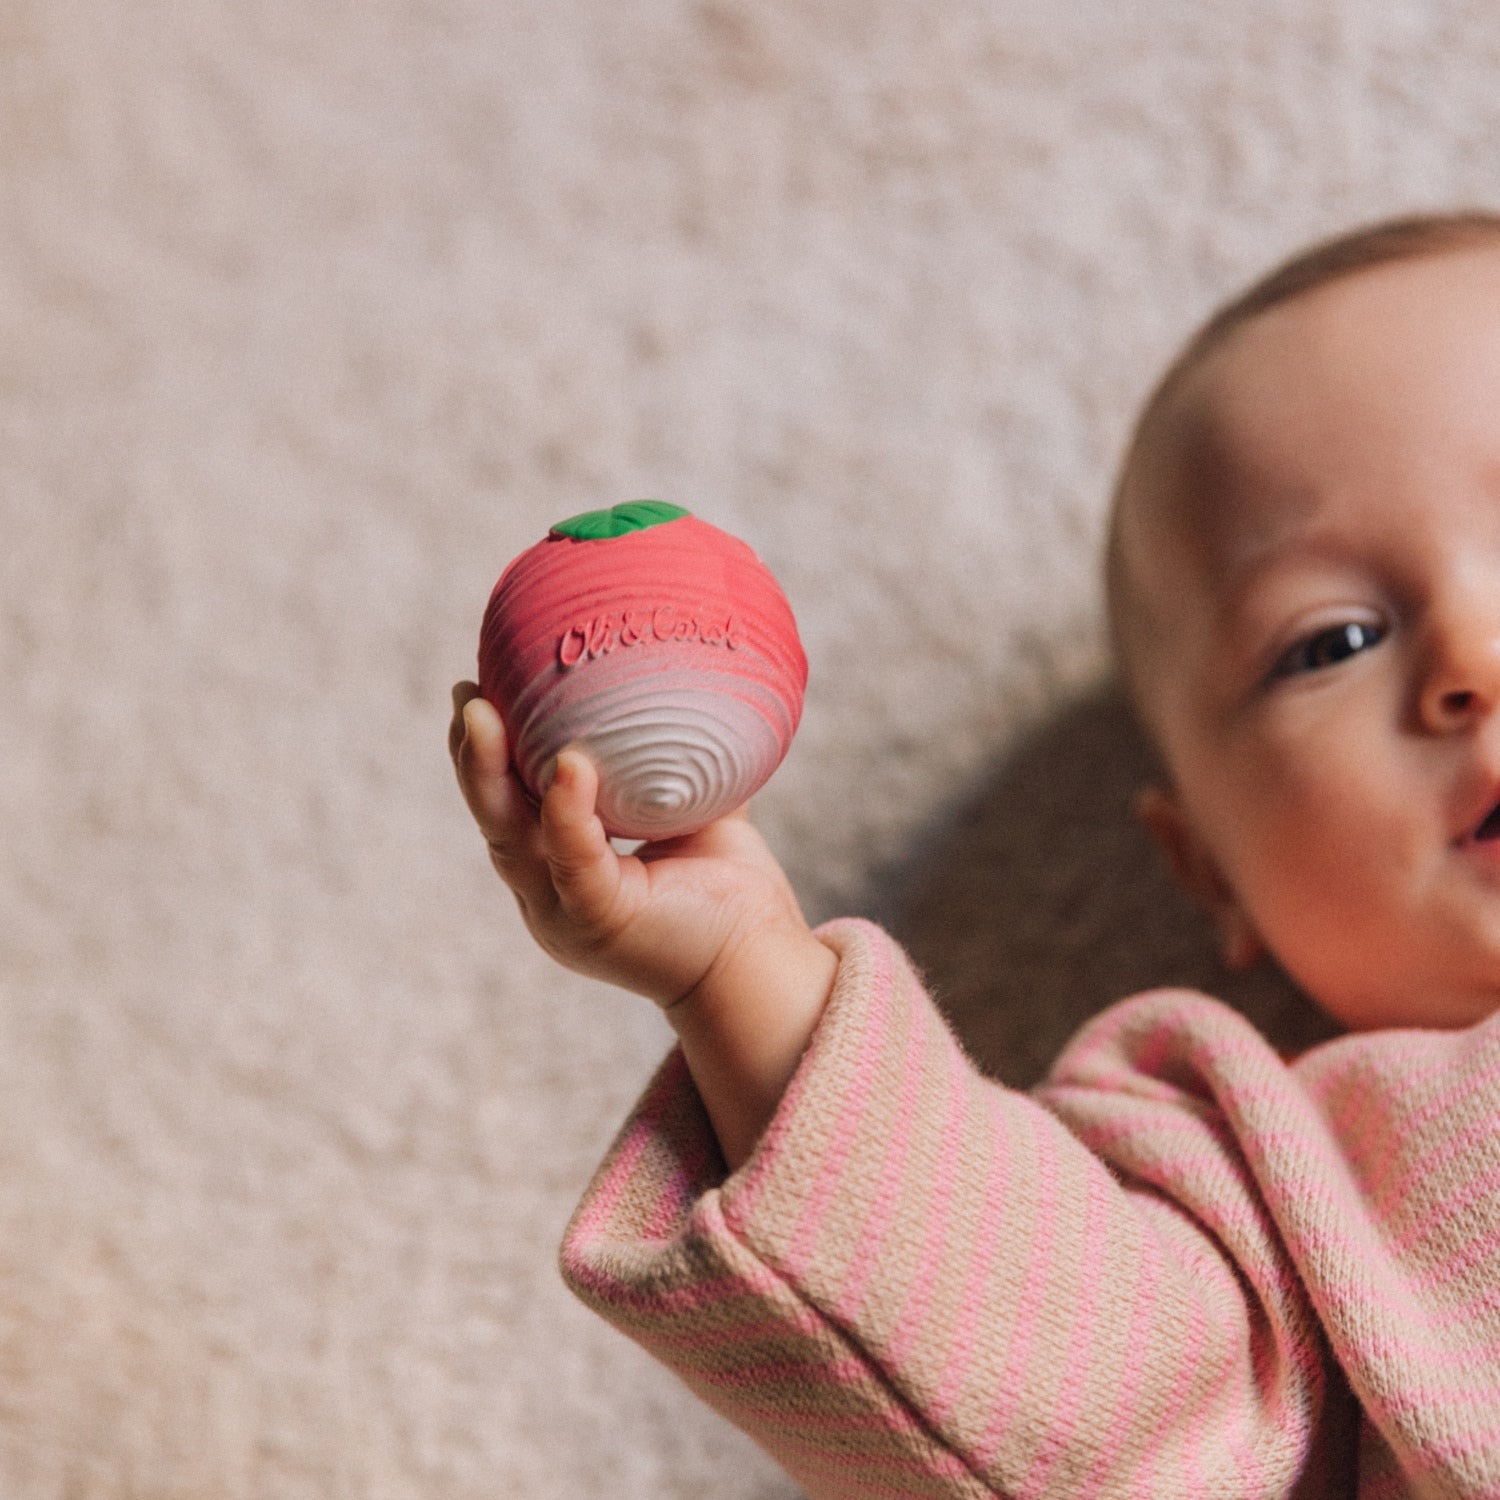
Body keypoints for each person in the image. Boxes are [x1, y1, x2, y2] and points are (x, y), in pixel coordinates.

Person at [450, 211, 1500, 1498]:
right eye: (1330, 642)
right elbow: (1083, 1412)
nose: (1472, 661)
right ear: (1213, 873)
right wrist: (740, 973)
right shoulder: (1289, 1186)